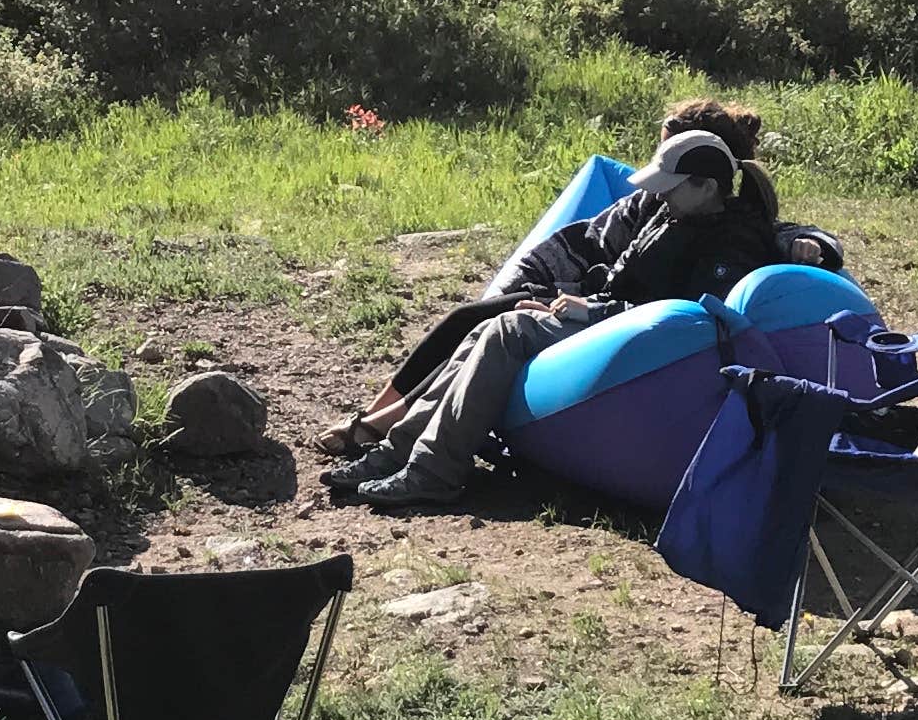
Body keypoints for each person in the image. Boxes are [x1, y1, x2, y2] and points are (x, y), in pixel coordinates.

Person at [325, 103, 814, 513]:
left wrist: (595, 313)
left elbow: (687, 316)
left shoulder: (733, 242)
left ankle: (433, 470)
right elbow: (619, 266)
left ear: (707, 187)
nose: (656, 192)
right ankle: (399, 451)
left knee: (505, 334)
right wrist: (589, 302)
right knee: (482, 330)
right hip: (619, 324)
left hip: (646, 346)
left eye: (669, 183)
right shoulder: (670, 214)